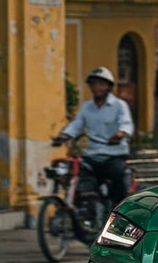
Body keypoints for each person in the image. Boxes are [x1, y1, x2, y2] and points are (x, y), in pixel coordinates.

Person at [52, 66, 134, 206]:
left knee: (118, 182)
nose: (96, 88)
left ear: (108, 86)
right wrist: (65, 135)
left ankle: (120, 216)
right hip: (92, 155)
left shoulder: (119, 105)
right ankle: (87, 213)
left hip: (113, 155)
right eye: (93, 84)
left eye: (101, 84)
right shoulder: (86, 107)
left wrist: (120, 134)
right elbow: (77, 124)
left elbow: (126, 124)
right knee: (81, 179)